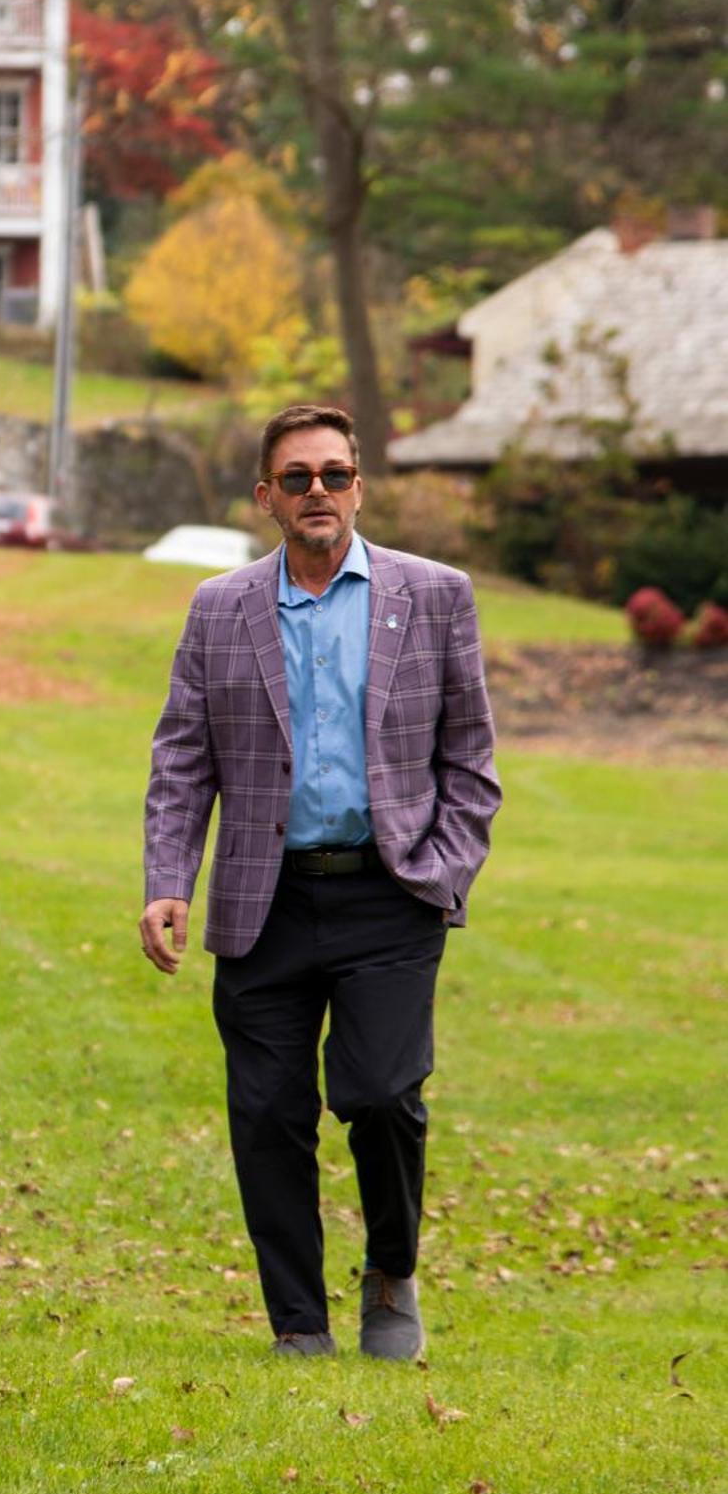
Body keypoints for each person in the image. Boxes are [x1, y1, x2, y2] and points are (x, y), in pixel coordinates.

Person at [141, 403, 500, 1360]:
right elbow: (182, 757)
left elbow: (470, 758)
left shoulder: (433, 596)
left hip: (390, 892)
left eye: (334, 474)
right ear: (265, 497)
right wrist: (169, 878)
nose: (317, 492)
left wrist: (442, 865)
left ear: (358, 488)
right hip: (265, 898)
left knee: (381, 1094)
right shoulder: (221, 607)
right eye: (296, 477)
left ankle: (390, 1271)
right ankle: (298, 1324)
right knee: (266, 1116)